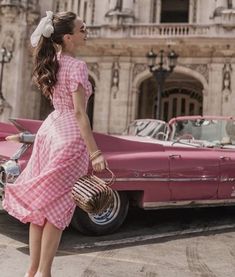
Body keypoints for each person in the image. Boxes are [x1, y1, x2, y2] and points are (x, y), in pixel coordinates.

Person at [2, 11, 107, 277]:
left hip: (50, 131)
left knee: (41, 207)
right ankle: (45, 273)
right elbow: (80, 114)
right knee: (59, 210)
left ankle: (33, 271)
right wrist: (95, 152)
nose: (86, 32)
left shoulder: (52, 62)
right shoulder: (77, 66)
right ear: (68, 37)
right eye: (82, 29)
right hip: (70, 137)